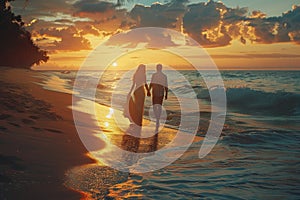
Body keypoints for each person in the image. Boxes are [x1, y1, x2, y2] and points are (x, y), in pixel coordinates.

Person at [148, 64, 168, 130]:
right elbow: (166, 86)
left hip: (155, 92)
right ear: (161, 68)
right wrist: (166, 94)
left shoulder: (154, 75)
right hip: (161, 93)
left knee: (154, 106)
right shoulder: (164, 76)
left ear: (157, 68)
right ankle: (157, 119)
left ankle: (157, 118)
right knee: (159, 106)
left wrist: (148, 90)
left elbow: (151, 83)